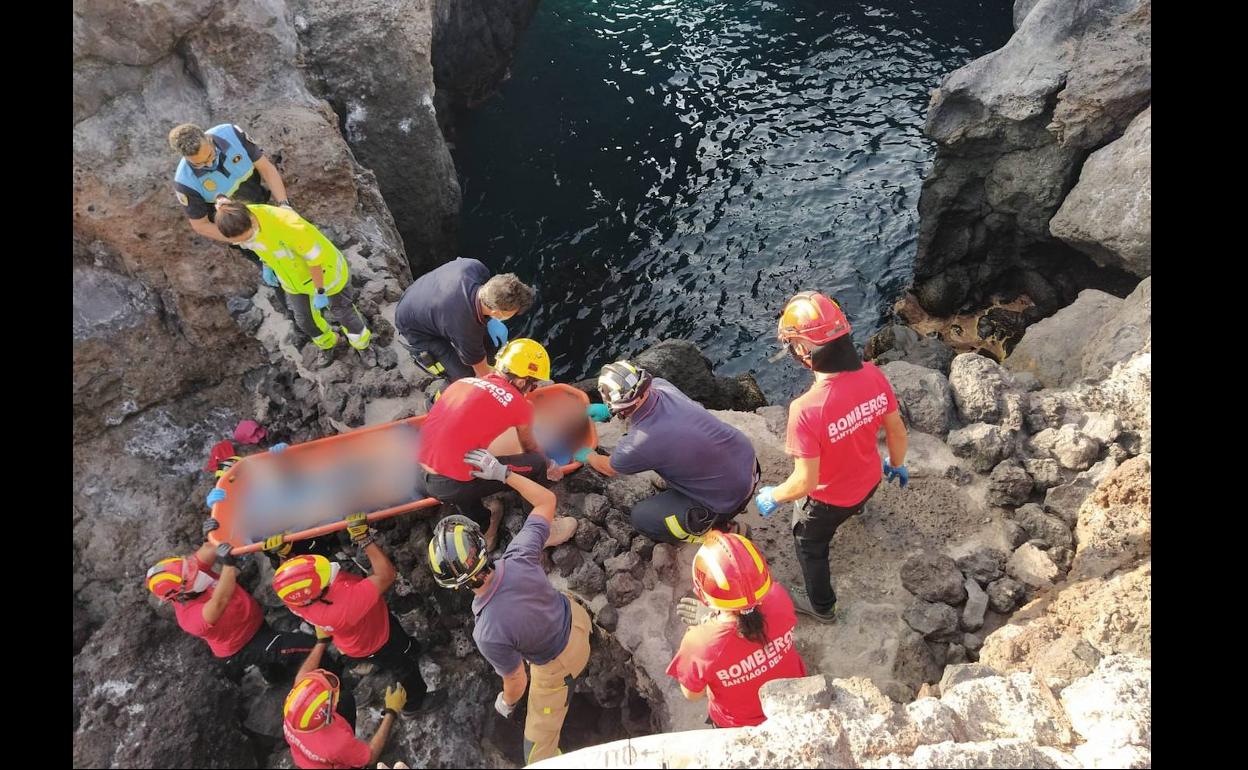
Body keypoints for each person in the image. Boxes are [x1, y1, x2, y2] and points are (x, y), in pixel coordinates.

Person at [427, 449, 592, 765]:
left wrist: (506, 703)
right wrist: (504, 473)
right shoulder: (520, 555)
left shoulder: (487, 631)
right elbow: (546, 502)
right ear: (481, 546)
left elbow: (518, 681)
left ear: (455, 584)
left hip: (558, 665)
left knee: (537, 755)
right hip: (577, 620)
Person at [753, 292, 909, 622]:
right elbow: (896, 431)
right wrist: (897, 464)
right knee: (856, 496)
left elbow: (805, 481)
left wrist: (775, 495)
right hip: (870, 480)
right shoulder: (873, 374)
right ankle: (860, 510)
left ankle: (822, 608)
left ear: (804, 351)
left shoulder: (806, 411)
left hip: (829, 501)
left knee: (809, 546)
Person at [273, 514, 446, 714]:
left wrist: (284, 554)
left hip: (367, 627)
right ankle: (414, 704)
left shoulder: (291, 595)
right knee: (404, 668)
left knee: (401, 641)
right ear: (317, 593)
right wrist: (364, 539)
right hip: (376, 640)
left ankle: (411, 648)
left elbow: (294, 575)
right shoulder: (343, 607)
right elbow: (386, 575)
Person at [417, 338, 576, 550]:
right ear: (521, 381)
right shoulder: (519, 405)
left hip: (423, 470)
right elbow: (531, 447)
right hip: (452, 485)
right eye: (534, 383)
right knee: (536, 464)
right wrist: (550, 465)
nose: (533, 388)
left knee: (464, 461)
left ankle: (485, 525)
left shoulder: (463, 382)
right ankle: (541, 529)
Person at [578, 360, 760, 544]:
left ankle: (719, 532)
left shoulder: (637, 443)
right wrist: (612, 412)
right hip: (749, 463)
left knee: (642, 518)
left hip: (729, 497)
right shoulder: (661, 386)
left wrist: (587, 455)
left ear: (617, 407)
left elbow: (609, 467)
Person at [144, 519, 320, 684]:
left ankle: (275, 678)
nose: (194, 570)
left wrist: (212, 536)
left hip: (255, 623)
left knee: (272, 665)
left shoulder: (189, 575)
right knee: (310, 648)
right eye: (189, 574)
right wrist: (228, 565)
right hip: (243, 646)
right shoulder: (189, 619)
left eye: (189, 567)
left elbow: (210, 549)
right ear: (179, 594)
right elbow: (220, 601)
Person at [666, 531, 807, 727]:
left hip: (741, 724)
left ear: (703, 594)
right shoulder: (778, 596)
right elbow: (750, 624)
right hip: (796, 699)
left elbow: (692, 694)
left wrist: (708, 624)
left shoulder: (700, 642)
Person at [213, 200, 372, 353]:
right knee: (304, 320)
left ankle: (362, 345)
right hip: (295, 280)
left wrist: (320, 290)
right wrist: (267, 266)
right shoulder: (242, 221)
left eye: (247, 238)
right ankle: (331, 342)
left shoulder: (289, 225)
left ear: (252, 220)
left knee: (343, 313)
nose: (247, 242)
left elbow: (314, 260)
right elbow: (264, 248)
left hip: (327, 274)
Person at [394, 257, 535, 383]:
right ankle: (435, 402)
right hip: (412, 324)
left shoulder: (475, 267)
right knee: (465, 376)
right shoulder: (466, 328)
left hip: (422, 294)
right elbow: (484, 373)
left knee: (487, 344)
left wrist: (490, 321)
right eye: (513, 313)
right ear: (496, 312)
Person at [282, 637, 409, 769]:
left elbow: (302, 676)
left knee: (345, 699)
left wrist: (322, 641)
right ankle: (353, 757)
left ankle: (351, 752)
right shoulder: (337, 743)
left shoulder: (294, 710)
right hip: (332, 762)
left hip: (306, 759)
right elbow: (370, 757)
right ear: (326, 713)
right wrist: (391, 711)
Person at [169, 122, 292, 247]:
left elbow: (265, 168)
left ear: (207, 138)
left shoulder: (232, 135)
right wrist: (244, 238)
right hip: (238, 228)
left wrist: (284, 205)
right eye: (200, 164)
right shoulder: (185, 183)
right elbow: (200, 225)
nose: (209, 164)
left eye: (210, 155)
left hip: (260, 202)